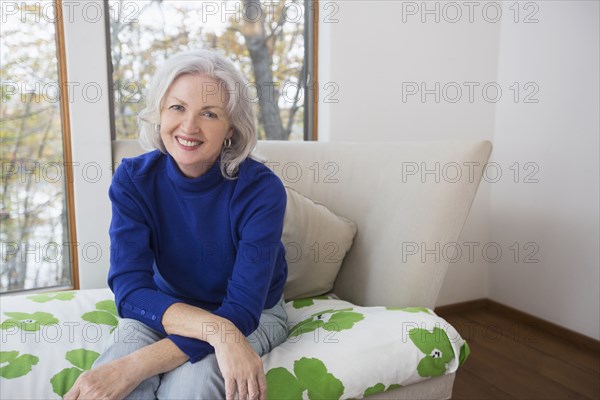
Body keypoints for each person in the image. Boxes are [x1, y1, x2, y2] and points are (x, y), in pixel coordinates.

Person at [64, 49, 289, 400]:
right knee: (106, 392)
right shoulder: (133, 179)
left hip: (253, 314)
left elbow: (243, 308)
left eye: (209, 114)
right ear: (159, 113)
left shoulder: (261, 190)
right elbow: (130, 289)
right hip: (163, 306)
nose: (188, 127)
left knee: (191, 388)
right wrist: (215, 331)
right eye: (177, 107)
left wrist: (134, 366)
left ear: (231, 127)